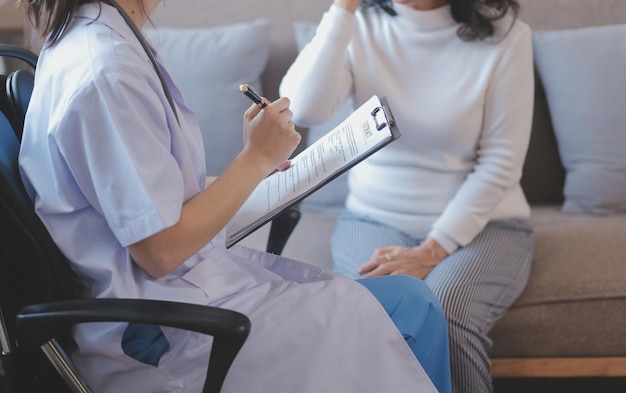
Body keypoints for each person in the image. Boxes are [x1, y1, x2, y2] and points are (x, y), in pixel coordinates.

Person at [18, 0, 453, 392]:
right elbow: (160, 248)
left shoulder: (99, 41)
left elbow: (149, 192)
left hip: (180, 301)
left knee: (402, 304)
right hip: (163, 337)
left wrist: (257, 167)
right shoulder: (106, 72)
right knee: (412, 308)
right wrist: (255, 159)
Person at [280, 0, 534, 392]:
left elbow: (501, 163)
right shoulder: (360, 26)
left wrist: (432, 250)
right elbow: (303, 108)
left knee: (447, 310)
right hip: (374, 218)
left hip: (485, 224)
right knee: (372, 313)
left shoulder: (508, 36)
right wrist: (343, 10)